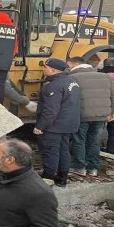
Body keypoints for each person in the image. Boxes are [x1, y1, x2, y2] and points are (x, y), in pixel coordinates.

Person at [67, 56, 114, 177]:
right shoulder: (106, 77)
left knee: (79, 141)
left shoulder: (72, 78)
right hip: (101, 116)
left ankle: (80, 167)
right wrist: (113, 112)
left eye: (69, 66)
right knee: (94, 142)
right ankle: (93, 169)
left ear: (75, 65)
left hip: (81, 116)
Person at [33, 58, 81, 187]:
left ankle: (48, 177)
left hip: (55, 125)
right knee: (63, 150)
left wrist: (40, 126)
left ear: (53, 70)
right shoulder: (72, 81)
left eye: (46, 67)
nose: (43, 69)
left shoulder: (53, 86)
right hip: (69, 123)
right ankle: (62, 177)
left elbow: (51, 110)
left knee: (50, 151)